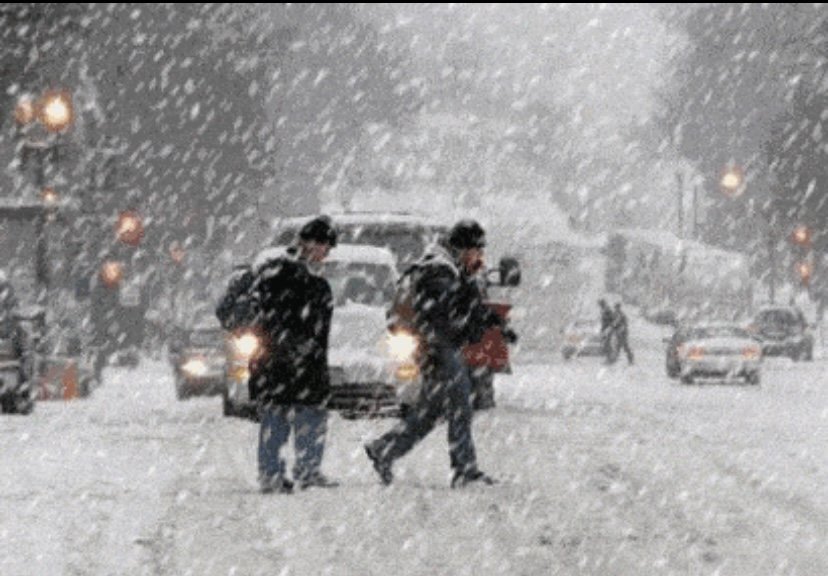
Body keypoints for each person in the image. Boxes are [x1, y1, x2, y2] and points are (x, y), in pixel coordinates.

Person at [364, 219, 513, 488]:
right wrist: (473, 325)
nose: (480, 256)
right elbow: (446, 317)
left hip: (439, 348)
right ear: (462, 248)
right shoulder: (439, 273)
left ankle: (383, 450)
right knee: (460, 407)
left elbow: (464, 308)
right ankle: (464, 470)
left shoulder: (450, 269)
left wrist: (493, 322)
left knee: (429, 413)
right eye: (477, 250)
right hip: (441, 349)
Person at [245, 216, 338, 494]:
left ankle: (284, 471)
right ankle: (287, 471)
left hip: (288, 361)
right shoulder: (290, 277)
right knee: (289, 415)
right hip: (286, 361)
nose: (326, 254)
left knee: (290, 414)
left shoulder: (285, 275)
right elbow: (279, 321)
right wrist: (295, 347)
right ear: (309, 244)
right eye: (325, 246)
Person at [598, 299, 615, 364]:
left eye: (600, 304)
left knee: (607, 344)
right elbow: (603, 321)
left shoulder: (607, 310)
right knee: (605, 343)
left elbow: (612, 319)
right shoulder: (604, 310)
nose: (600, 306)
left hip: (608, 329)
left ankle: (610, 359)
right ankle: (609, 358)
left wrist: (609, 327)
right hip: (605, 328)